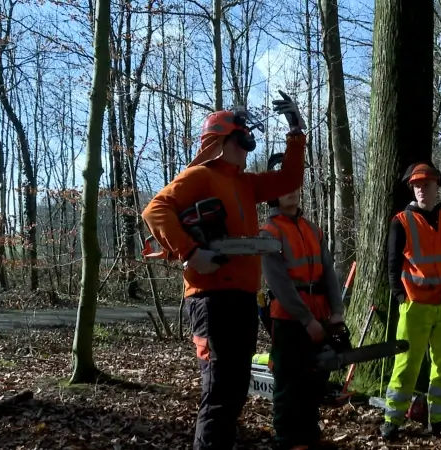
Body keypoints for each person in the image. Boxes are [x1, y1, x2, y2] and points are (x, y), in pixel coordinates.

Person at [141, 92, 307, 450]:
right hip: (210, 299)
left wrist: (296, 130)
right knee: (218, 392)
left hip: (243, 298)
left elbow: (289, 178)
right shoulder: (201, 176)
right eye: (241, 136)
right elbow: (155, 210)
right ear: (222, 140)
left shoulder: (245, 183)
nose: (247, 143)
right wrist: (190, 251)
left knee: (233, 394)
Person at [259, 153, 345, 450]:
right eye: (284, 185)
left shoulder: (313, 230)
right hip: (289, 317)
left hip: (320, 312)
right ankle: (287, 440)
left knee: (315, 379)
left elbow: (329, 273)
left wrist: (337, 312)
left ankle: (309, 435)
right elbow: (279, 283)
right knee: (288, 382)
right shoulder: (268, 232)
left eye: (294, 184)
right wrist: (306, 320)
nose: (291, 191)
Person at [379, 162, 441, 440]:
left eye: (426, 185)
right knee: (406, 364)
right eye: (416, 185)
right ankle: (393, 419)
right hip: (416, 305)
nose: (421, 190)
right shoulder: (401, 222)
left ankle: (439, 419)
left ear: (437, 186)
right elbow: (392, 264)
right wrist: (400, 296)